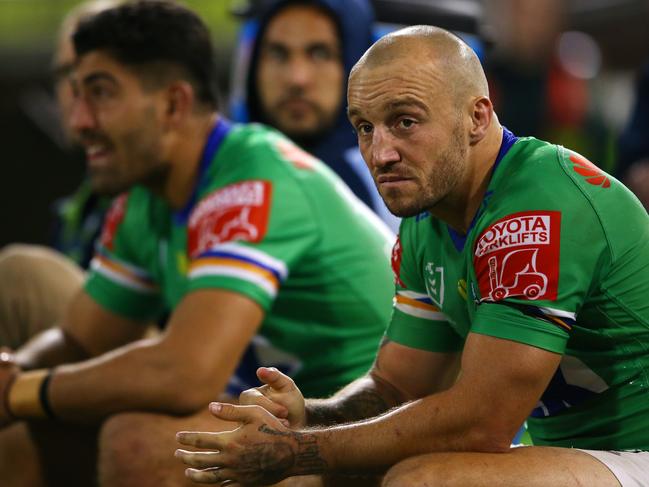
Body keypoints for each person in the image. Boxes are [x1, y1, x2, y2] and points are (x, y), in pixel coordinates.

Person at [176, 25, 649, 487]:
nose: (380, 153)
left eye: (405, 121)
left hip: (638, 450)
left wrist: (300, 451)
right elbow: (395, 387)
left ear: (478, 118)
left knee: (423, 480)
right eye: (364, 126)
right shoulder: (428, 219)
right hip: (582, 456)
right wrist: (308, 416)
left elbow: (482, 423)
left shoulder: (539, 207)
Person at [0, 2, 394, 486]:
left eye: (100, 94)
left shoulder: (253, 178)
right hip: (267, 412)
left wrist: (24, 391)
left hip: (352, 429)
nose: (79, 121)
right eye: (75, 93)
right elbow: (82, 338)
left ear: (172, 105)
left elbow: (185, 373)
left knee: (139, 445)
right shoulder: (144, 197)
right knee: (19, 442)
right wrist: (12, 373)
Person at [231, 0, 399, 232]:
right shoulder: (213, 174)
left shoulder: (399, 182)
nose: (297, 79)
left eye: (320, 53)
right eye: (278, 53)